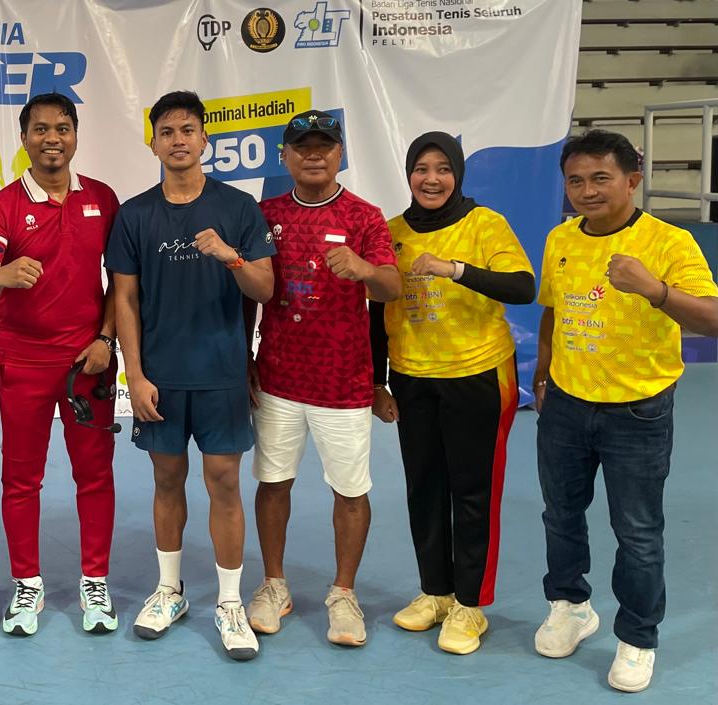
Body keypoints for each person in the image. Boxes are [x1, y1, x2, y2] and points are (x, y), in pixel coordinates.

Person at [532, 129, 718, 692]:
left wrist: (655, 290)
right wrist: (541, 377)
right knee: (560, 515)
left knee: (636, 532)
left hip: (637, 411)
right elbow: (551, 312)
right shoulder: (561, 238)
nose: (587, 190)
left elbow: (711, 318)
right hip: (566, 404)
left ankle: (637, 637)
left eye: (601, 178)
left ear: (632, 180)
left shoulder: (669, 242)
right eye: (576, 180)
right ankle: (570, 605)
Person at [107, 90, 275, 661]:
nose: (178, 140)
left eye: (188, 130)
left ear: (205, 139)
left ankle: (229, 601)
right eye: (167, 131)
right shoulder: (134, 214)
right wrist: (136, 372)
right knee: (166, 479)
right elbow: (123, 299)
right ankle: (169, 590)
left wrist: (230, 256)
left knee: (225, 482)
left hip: (222, 373)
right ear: (152, 142)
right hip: (160, 376)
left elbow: (266, 287)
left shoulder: (238, 207)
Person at [369, 131, 535, 655]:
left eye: (443, 168)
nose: (432, 178)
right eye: (421, 168)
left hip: (478, 373)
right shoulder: (391, 232)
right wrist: (378, 380)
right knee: (423, 487)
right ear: (409, 174)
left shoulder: (484, 224)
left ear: (457, 174)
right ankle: (435, 592)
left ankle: (470, 604)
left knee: (472, 491)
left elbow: (523, 286)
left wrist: (455, 269)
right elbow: (377, 311)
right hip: (414, 377)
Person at [0, 92, 120, 637]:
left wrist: (107, 339)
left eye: (61, 128)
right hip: (24, 363)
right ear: (24, 137)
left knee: (95, 476)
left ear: (75, 134)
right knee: (21, 479)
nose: (51, 138)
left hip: (89, 363)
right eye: (39, 129)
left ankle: (94, 581)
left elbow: (123, 286)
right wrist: (1, 277)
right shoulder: (2, 205)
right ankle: (26, 584)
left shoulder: (103, 198)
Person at [245, 110, 400, 647]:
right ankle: (273, 585)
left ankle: (343, 593)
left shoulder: (365, 216)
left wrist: (365, 270)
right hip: (279, 379)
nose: (314, 154)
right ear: (284, 155)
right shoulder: (264, 214)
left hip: (344, 382)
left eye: (325, 145)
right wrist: (245, 356)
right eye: (302, 146)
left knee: (351, 492)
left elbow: (392, 289)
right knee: (272, 483)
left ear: (340, 155)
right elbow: (250, 289)